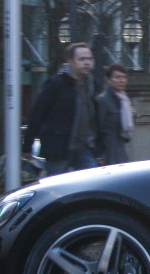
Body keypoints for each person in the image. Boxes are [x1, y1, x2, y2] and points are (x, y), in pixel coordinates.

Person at [22, 42, 100, 175]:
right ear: (70, 62)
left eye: (89, 59)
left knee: (93, 182)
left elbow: (95, 117)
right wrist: (28, 144)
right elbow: (38, 113)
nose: (87, 63)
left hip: (84, 147)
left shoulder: (92, 86)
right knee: (57, 187)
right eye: (82, 59)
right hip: (58, 149)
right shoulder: (56, 84)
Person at [95, 63, 134, 165]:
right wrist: (100, 155)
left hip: (121, 149)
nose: (122, 80)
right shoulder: (103, 100)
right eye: (117, 77)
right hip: (108, 151)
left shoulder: (124, 100)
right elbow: (98, 128)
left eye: (124, 77)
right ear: (108, 80)